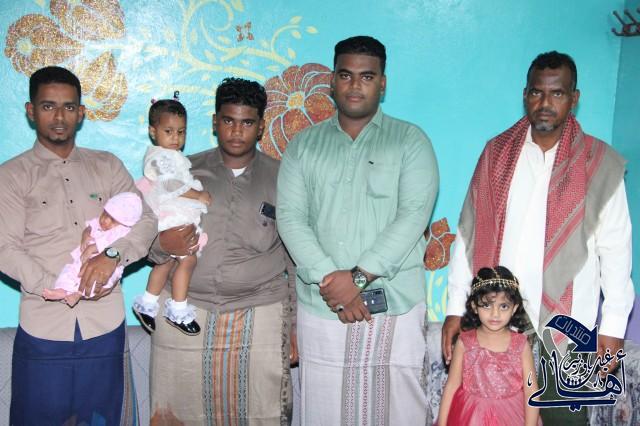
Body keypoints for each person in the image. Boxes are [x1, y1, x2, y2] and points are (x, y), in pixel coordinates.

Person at [442, 51, 634, 424]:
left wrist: (612, 328)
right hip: (498, 318)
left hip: (567, 327)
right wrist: (454, 308)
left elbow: (615, 251)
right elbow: (468, 233)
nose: (545, 103)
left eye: (557, 93)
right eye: (536, 92)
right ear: (525, 95)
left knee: (564, 420)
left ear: (574, 98)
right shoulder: (497, 153)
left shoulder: (600, 162)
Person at [277, 36, 439, 424]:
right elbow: (291, 217)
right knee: (324, 411)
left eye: (367, 76)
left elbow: (414, 215)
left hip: (394, 304)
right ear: (332, 81)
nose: (355, 85)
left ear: (382, 83)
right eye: (346, 75)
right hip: (323, 304)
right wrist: (332, 282)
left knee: (398, 411)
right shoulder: (304, 145)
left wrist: (357, 279)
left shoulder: (410, 141)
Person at [0, 66, 157, 425]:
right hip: (43, 329)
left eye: (69, 107)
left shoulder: (107, 166)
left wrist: (112, 256)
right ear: (30, 110)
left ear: (81, 113)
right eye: (48, 106)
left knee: (101, 420)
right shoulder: (11, 175)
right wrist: (56, 286)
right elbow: (5, 248)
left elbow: (146, 220)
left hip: (104, 326)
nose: (59, 117)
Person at [147, 77, 297, 425]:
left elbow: (293, 258)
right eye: (228, 120)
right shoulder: (182, 173)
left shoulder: (284, 177)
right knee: (176, 412)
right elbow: (144, 230)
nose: (236, 131)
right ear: (215, 122)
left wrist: (294, 327)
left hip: (260, 309)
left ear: (261, 126)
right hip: (186, 308)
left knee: (261, 412)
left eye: (247, 123)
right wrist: (160, 246)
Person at [133, 97, 211, 336]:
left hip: (172, 213)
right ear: (152, 131)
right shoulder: (158, 157)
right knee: (188, 261)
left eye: (181, 131)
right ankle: (178, 309)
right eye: (168, 131)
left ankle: (147, 303)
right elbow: (169, 184)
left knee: (165, 262)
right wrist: (198, 195)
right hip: (170, 215)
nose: (176, 137)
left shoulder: (171, 155)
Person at [438, 266, 541, 426]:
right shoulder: (465, 342)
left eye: (503, 306)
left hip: (512, 417)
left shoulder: (520, 344)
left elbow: (531, 390)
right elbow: (451, 386)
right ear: (474, 306)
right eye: (487, 305)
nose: (495, 314)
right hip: (471, 416)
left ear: (514, 308)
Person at [44, 191, 143, 307]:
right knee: (70, 270)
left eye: (112, 220)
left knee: (98, 281)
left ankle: (78, 294)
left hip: (108, 267)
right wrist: (85, 234)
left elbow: (112, 242)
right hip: (85, 259)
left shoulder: (123, 230)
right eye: (105, 214)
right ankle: (62, 290)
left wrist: (93, 248)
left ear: (124, 223)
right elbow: (90, 226)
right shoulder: (99, 222)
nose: (105, 220)